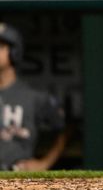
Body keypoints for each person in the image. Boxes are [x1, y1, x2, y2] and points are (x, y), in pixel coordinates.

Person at [0, 23, 67, 171]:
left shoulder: (33, 96)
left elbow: (64, 129)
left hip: (16, 175)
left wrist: (45, 163)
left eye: (0, 47)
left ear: (14, 52)